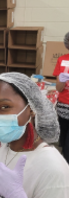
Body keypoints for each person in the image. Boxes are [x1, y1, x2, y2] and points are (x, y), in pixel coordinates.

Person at [53, 31, 69, 164]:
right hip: (63, 106)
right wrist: (62, 80)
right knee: (63, 139)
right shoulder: (62, 60)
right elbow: (59, 88)